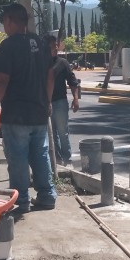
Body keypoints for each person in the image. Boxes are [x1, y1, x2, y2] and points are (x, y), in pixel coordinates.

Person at [0, 3, 57, 214]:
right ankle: (47, 196)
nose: (4, 27)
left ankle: (21, 200)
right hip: (39, 112)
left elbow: (1, 80)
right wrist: (47, 101)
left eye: (4, 23)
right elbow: (50, 77)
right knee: (40, 154)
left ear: (10, 21)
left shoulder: (8, 46)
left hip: (16, 114)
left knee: (18, 157)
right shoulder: (40, 44)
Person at [49, 37, 80, 166]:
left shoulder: (63, 63)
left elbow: (72, 81)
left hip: (60, 102)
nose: (56, 48)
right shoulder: (40, 63)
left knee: (62, 132)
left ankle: (67, 159)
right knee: (51, 134)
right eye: (52, 46)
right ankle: (57, 159)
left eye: (57, 45)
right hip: (46, 103)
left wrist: (76, 98)